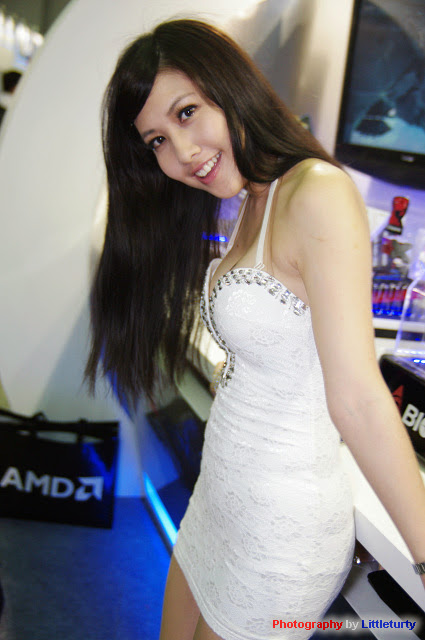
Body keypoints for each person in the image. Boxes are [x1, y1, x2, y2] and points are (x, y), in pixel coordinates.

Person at [85, 18, 425, 640]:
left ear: (228, 86)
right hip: (219, 500)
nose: (182, 153)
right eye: (157, 140)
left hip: (280, 535)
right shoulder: (251, 197)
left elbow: (358, 400)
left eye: (187, 113)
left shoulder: (316, 192)